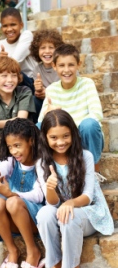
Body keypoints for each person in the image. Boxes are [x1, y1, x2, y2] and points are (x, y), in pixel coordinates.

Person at [36, 109, 114, 268]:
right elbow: (52, 203)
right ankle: (55, 264)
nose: (61, 142)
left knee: (69, 215)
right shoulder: (42, 162)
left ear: (73, 134)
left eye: (66, 136)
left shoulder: (85, 156)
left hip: (87, 213)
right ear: (45, 138)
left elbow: (87, 196)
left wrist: (70, 202)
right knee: (44, 213)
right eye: (54, 138)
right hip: (60, 212)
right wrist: (50, 187)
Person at [0, 118, 45, 268]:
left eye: (17, 146)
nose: (14, 151)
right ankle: (12, 250)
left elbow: (39, 195)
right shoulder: (12, 161)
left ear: (31, 141)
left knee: (12, 201)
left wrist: (11, 194)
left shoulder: (41, 162)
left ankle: (33, 251)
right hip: (14, 221)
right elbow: (1, 168)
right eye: (10, 147)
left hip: (34, 219)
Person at [37, 44, 104, 172]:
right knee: (39, 126)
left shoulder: (87, 84)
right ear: (54, 66)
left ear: (78, 64)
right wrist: (48, 114)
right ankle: (47, 170)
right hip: (63, 140)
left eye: (71, 65)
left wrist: (72, 131)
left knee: (89, 124)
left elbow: (97, 114)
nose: (66, 70)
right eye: (61, 65)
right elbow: (41, 121)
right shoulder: (52, 89)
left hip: (84, 136)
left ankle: (94, 171)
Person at [0, 56, 36, 146]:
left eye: (14, 76)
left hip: (24, 140)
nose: (10, 80)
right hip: (1, 144)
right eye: (4, 76)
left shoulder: (24, 91)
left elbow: (20, 120)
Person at [29, 29, 63, 122]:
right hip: (47, 104)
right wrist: (38, 90)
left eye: (51, 47)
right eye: (43, 48)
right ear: (37, 50)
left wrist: (47, 92)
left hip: (64, 102)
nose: (47, 51)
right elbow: (40, 95)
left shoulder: (64, 66)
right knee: (33, 100)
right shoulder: (37, 70)